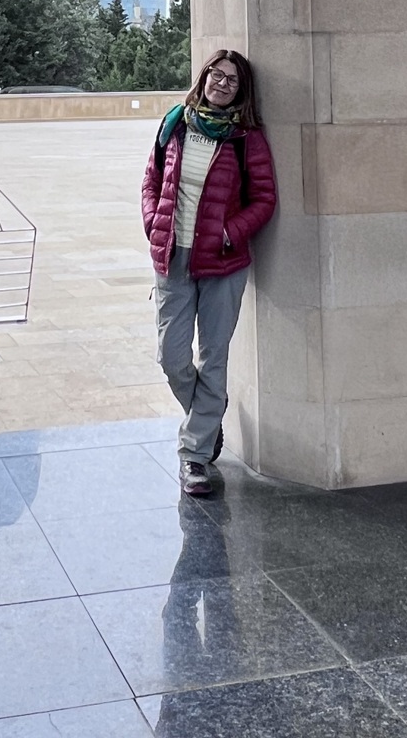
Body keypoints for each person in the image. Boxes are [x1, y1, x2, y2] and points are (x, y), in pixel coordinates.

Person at [141, 48, 277, 497]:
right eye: (216, 75)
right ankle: (208, 416)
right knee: (171, 357)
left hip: (222, 263)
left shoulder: (245, 139)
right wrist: (153, 224)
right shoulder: (176, 124)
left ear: (241, 91)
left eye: (231, 80)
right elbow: (151, 182)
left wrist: (228, 232)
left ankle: (194, 456)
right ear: (204, 78)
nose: (221, 84)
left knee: (213, 358)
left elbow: (265, 200)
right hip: (173, 260)